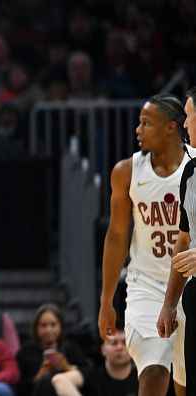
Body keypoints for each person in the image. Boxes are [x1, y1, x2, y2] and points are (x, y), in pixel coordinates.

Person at [98, 94, 191, 395]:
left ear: (171, 128)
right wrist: (106, 299)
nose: (138, 130)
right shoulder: (126, 171)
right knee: (152, 372)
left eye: (146, 123)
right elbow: (116, 236)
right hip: (147, 284)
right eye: (139, 122)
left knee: (184, 381)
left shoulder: (194, 166)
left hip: (191, 285)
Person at [158, 86, 196, 395]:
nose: (185, 124)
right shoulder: (190, 174)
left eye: (189, 115)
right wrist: (169, 304)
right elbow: (183, 241)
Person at [16, 304, 92, 396]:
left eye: (53, 324)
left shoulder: (71, 350)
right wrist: (38, 377)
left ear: (61, 326)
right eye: (43, 325)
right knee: (46, 383)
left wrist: (68, 368)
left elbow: (90, 377)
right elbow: (17, 387)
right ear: (36, 328)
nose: (48, 330)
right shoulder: (25, 352)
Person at [92, 327, 138, 396]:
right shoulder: (92, 375)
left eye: (125, 343)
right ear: (102, 349)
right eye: (113, 343)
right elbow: (69, 381)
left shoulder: (143, 377)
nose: (119, 348)